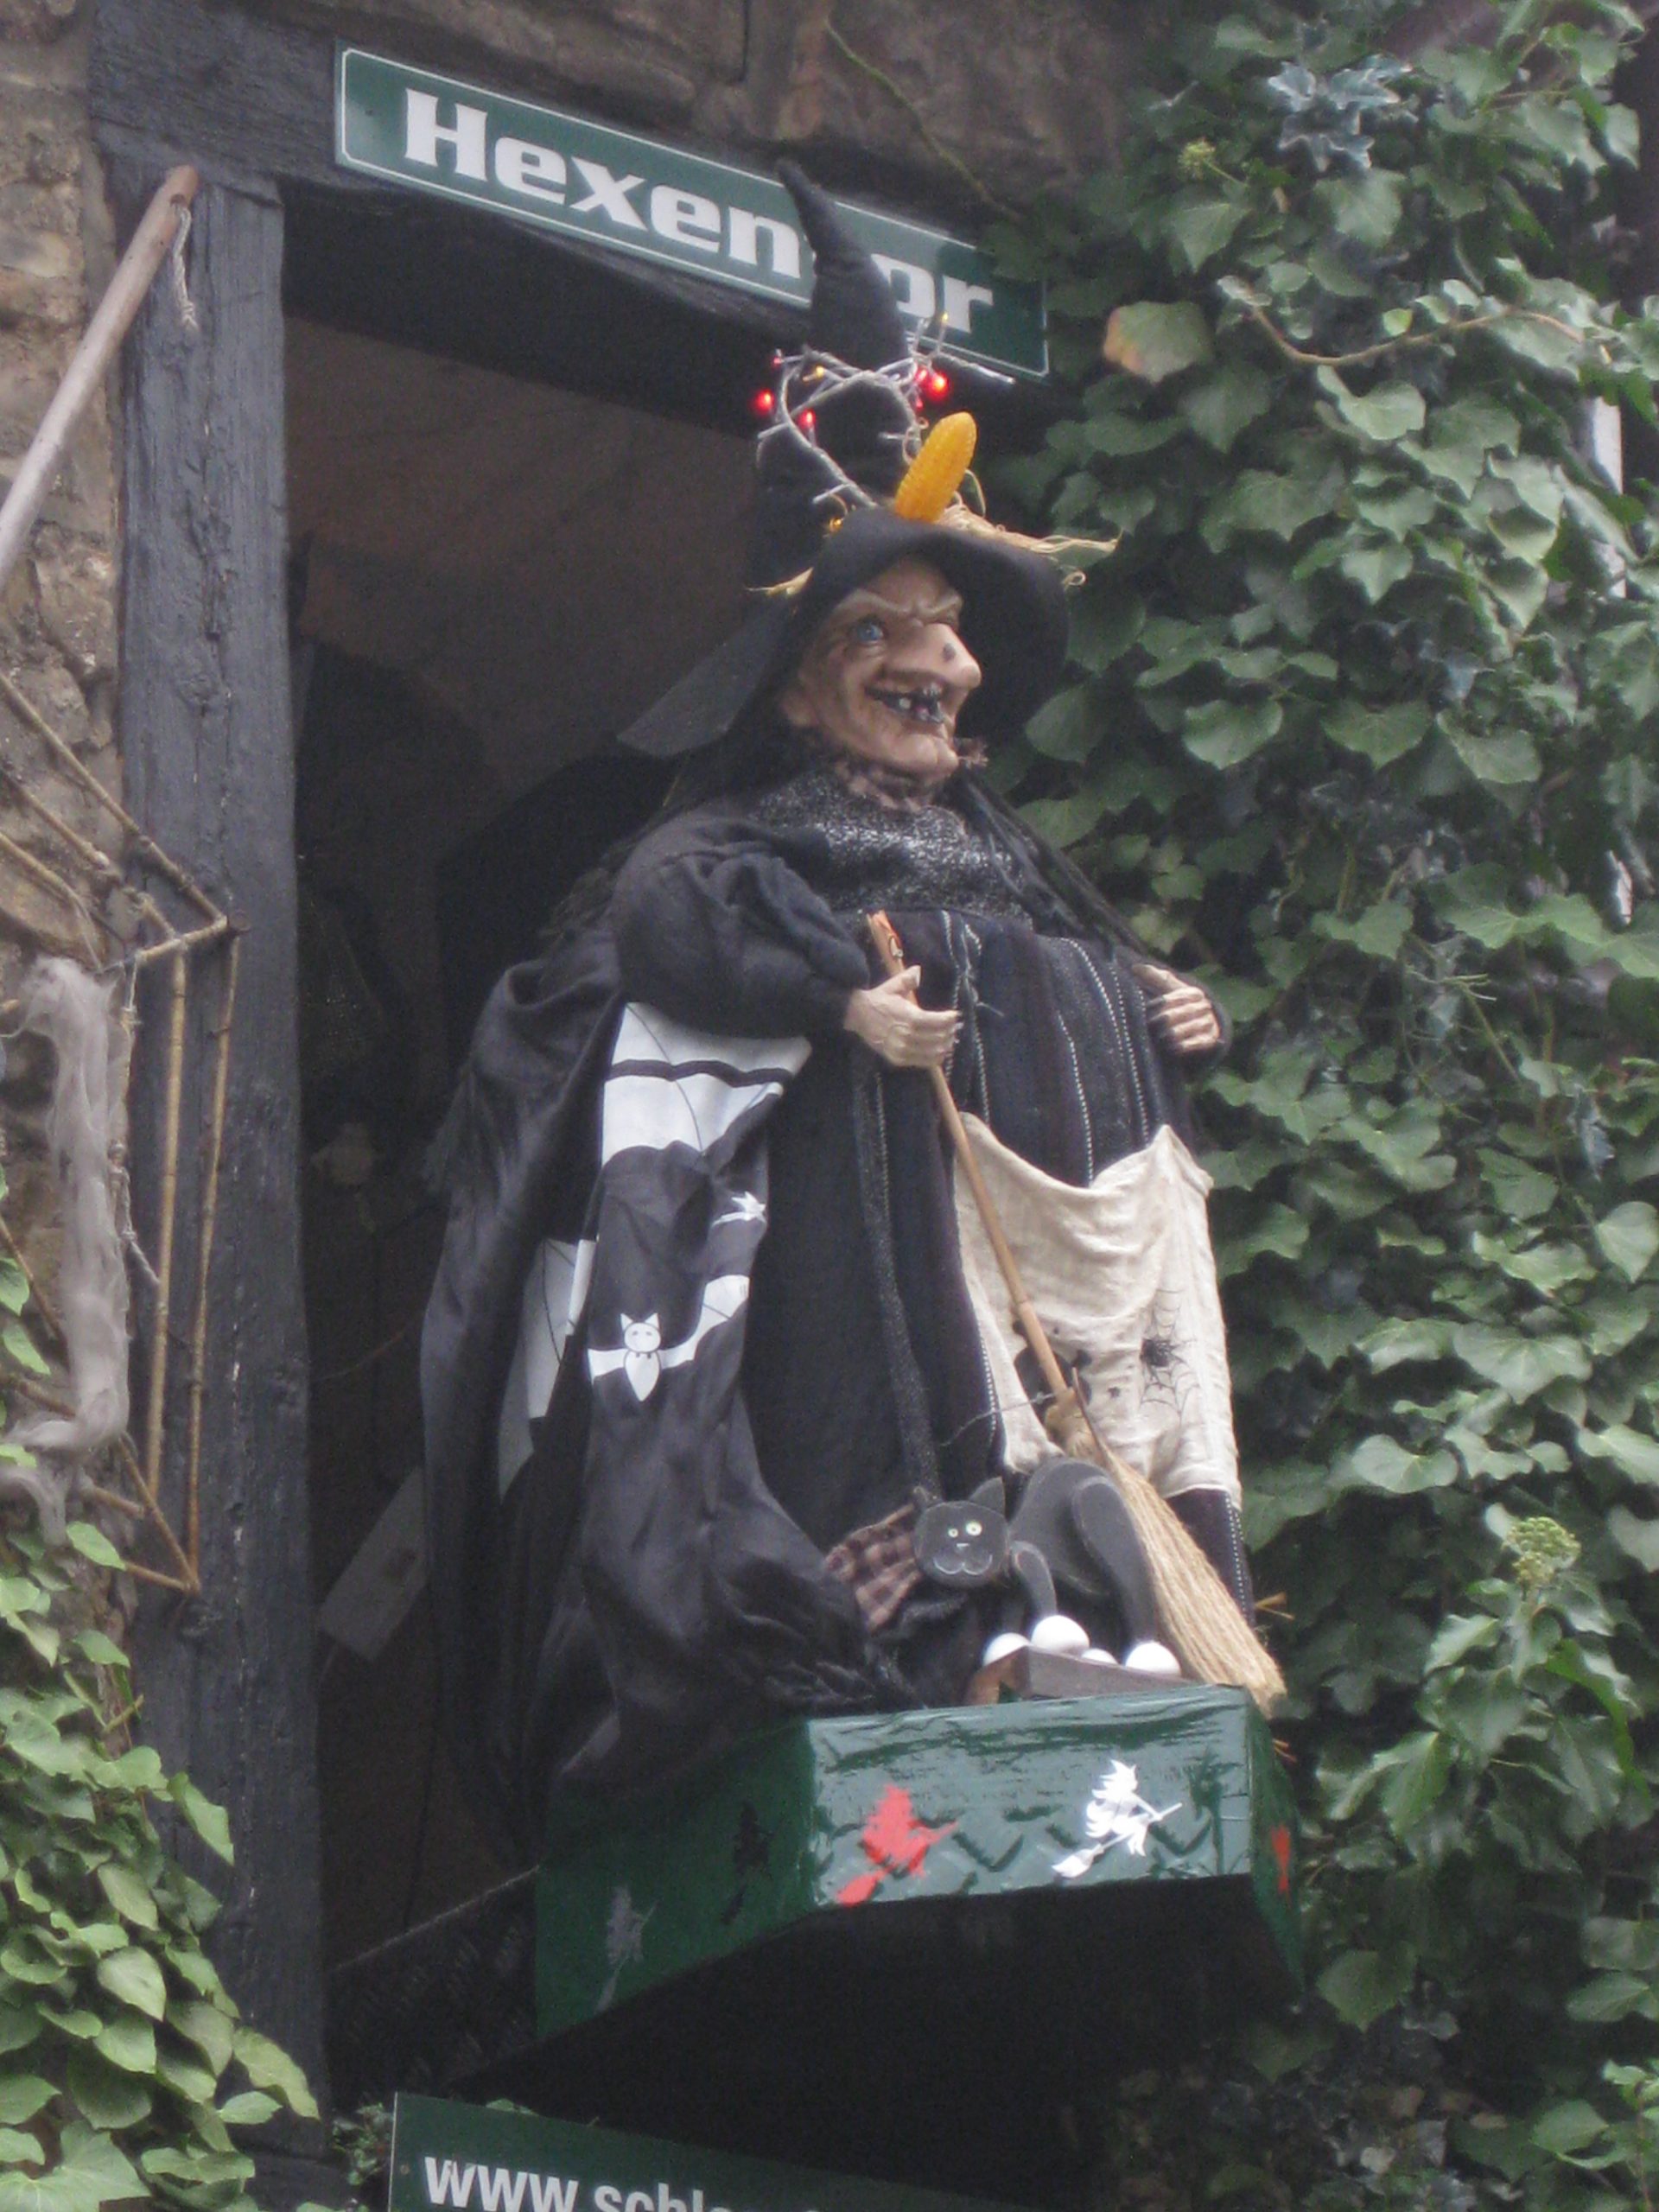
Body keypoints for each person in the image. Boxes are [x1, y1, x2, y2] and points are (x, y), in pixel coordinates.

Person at [423, 168, 1259, 1853]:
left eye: (946, 636)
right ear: (798, 689)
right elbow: (672, 926)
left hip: (1049, 1284)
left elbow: (1080, 960)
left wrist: (1142, 998)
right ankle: (918, 1635)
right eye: (880, 631)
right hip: (850, 1291)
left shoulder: (1013, 858)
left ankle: (1096, 1623)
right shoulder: (737, 843)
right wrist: (839, 1003)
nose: (930, 665)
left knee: (1061, 1461)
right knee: (899, 1451)